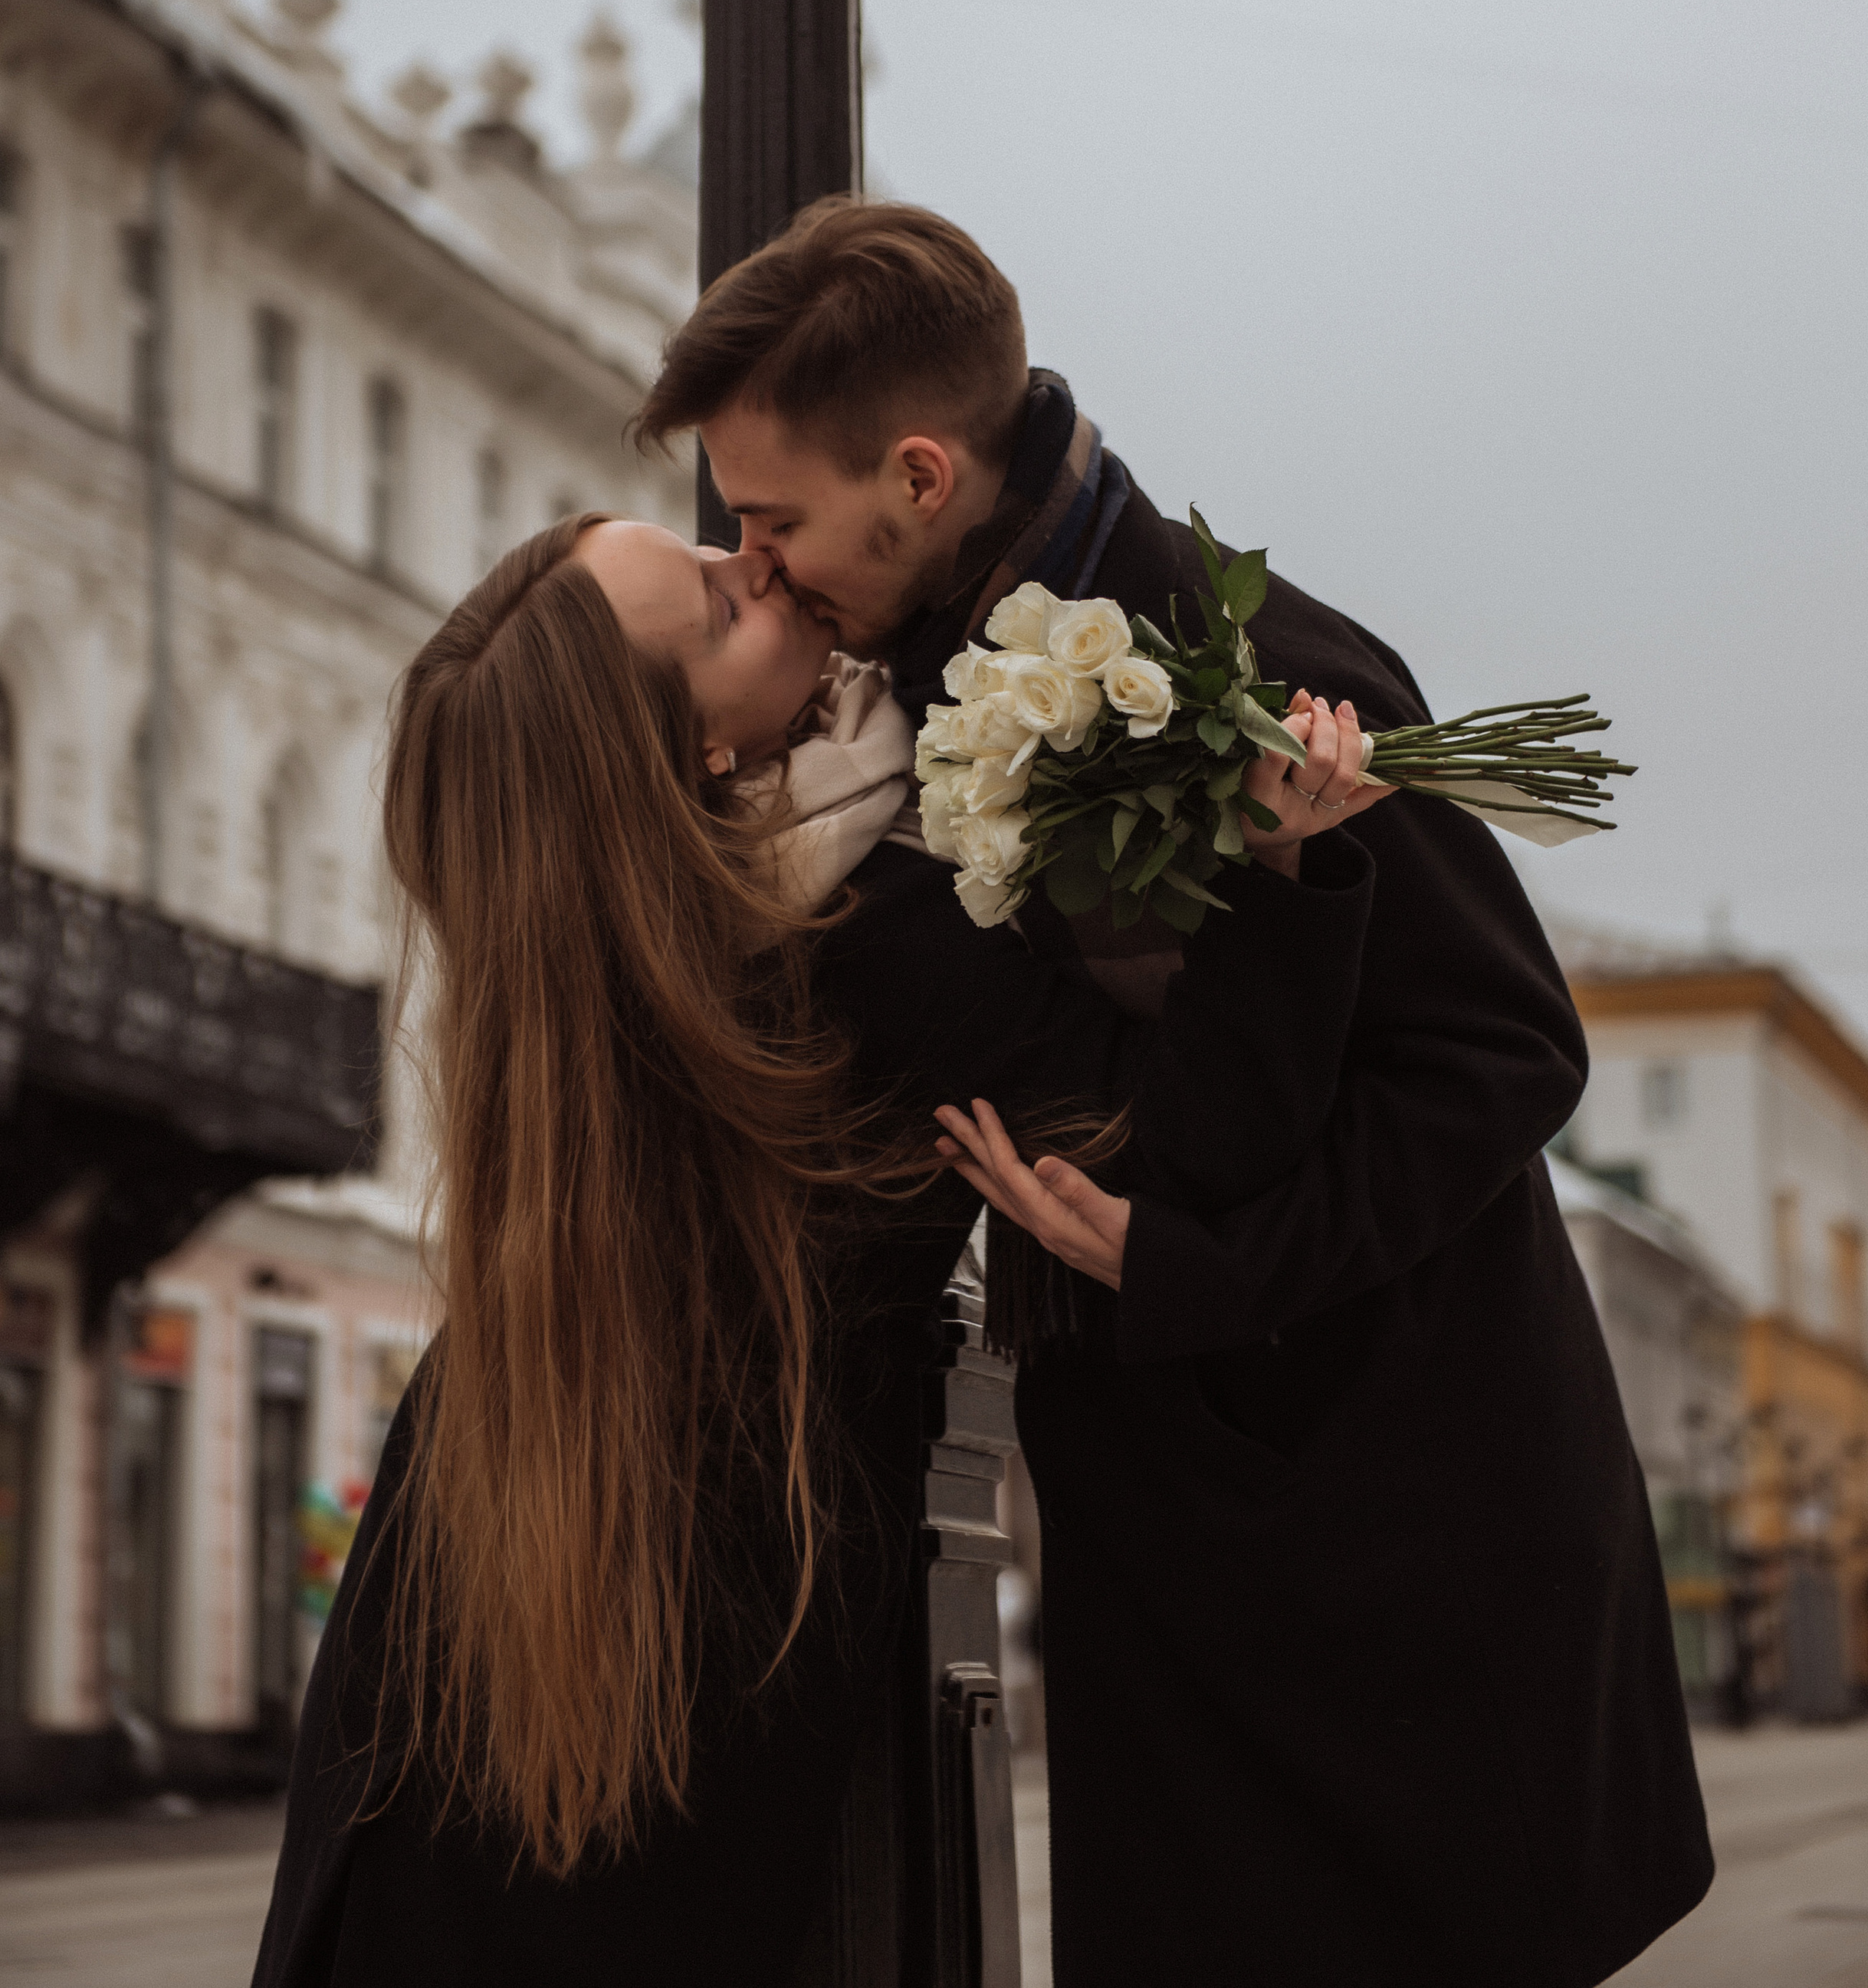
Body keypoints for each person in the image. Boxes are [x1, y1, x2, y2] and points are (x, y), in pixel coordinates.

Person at [637, 197, 1716, 1988]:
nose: (758, 565)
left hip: (1397, 1517)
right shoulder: (906, 667)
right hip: (1186, 1526)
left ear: (917, 474)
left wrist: (1215, 1265)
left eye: (772, 520)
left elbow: (1507, 1053)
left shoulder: (1267, 680)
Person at [253, 513, 1387, 1988]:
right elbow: (1199, 1144)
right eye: (723, 609)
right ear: (702, 761)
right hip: (653, 1689)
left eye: (721, 550)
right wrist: (1283, 877)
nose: (761, 565)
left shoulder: (615, 963)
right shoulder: (877, 932)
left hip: (511, 1611)